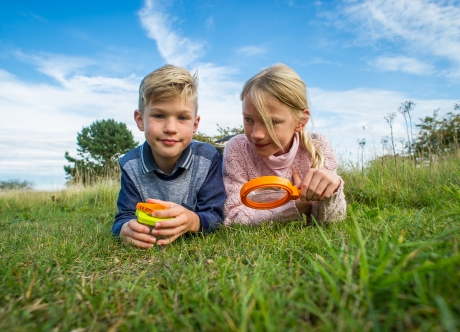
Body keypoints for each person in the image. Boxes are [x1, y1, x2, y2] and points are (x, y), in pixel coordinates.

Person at [112, 65, 226, 248]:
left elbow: (215, 215)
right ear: (140, 120)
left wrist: (193, 221)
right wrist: (125, 229)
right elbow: (124, 216)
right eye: (159, 115)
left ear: (195, 124)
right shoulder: (130, 165)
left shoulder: (207, 158)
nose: (171, 128)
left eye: (182, 118)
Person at [223, 63, 346, 225]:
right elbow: (233, 217)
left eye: (272, 122)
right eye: (249, 119)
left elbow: (330, 222)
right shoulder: (237, 149)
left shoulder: (318, 146)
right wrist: (296, 206)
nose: (256, 134)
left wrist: (332, 188)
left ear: (301, 121)